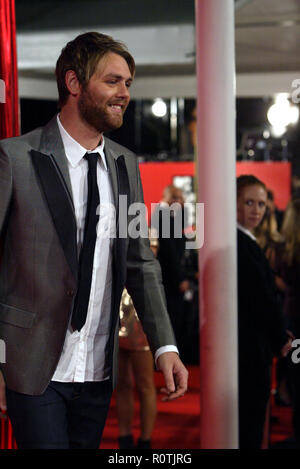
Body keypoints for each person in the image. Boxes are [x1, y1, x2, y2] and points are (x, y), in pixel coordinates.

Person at [0, 32, 188, 449]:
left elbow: (141, 263)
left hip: (100, 372)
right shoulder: (14, 158)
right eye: (113, 81)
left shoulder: (126, 164)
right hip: (32, 368)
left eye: (128, 83)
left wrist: (166, 347)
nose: (124, 93)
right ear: (73, 83)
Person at [236, 174, 291, 449]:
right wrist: (280, 337)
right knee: (250, 426)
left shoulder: (245, 242)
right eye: (249, 202)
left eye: (261, 204)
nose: (256, 210)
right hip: (250, 348)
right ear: (233, 203)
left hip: (250, 344)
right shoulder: (242, 245)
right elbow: (263, 300)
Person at [116, 232, 158, 450]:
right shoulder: (110, 228)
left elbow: (149, 266)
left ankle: (145, 439)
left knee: (145, 384)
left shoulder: (149, 233)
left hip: (141, 315)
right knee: (122, 384)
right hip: (115, 313)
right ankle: (124, 437)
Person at [151, 185, 190, 355]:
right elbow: (170, 252)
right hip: (170, 281)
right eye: (179, 199)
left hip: (167, 278)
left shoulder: (163, 215)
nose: (181, 203)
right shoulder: (163, 215)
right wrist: (180, 278)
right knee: (172, 319)